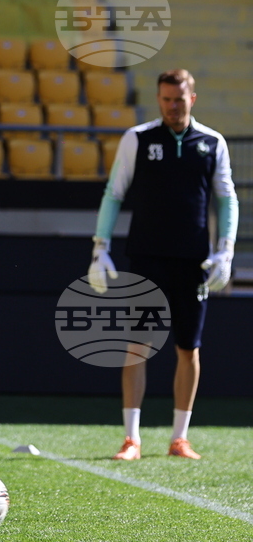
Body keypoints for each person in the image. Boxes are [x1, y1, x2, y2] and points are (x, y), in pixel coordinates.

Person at [88, 69, 239, 461]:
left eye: (179, 99)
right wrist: (99, 247)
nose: (173, 106)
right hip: (147, 256)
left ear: (193, 97)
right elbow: (113, 193)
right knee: (137, 346)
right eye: (166, 99)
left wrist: (226, 250)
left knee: (188, 347)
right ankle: (131, 439)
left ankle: (179, 438)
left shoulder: (212, 142)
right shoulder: (137, 138)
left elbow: (226, 199)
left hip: (193, 259)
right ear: (159, 99)